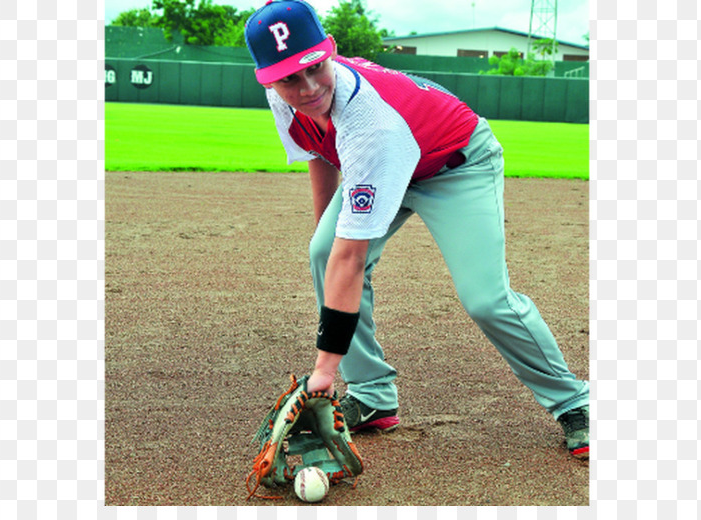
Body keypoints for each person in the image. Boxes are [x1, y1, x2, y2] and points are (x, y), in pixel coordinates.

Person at [244, 0, 590, 459]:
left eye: (315, 68)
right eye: (289, 78)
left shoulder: (369, 123)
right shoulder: (283, 96)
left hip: (454, 162)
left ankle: (575, 402)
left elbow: (353, 254)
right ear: (268, 78)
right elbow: (319, 154)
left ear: (330, 52)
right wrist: (327, 235)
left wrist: (324, 371)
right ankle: (371, 396)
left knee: (485, 298)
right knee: (326, 251)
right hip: (385, 163)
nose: (307, 87)